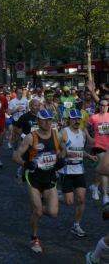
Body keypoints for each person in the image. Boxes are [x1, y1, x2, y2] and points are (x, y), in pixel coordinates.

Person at [13, 109, 66, 254]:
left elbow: (63, 149)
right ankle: (34, 238)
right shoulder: (31, 137)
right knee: (37, 210)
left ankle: (36, 210)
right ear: (38, 121)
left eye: (50, 119)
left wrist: (61, 159)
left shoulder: (56, 135)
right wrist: (25, 164)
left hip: (49, 178)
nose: (48, 122)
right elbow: (16, 156)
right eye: (44, 120)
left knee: (53, 212)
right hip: (34, 178)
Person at [58, 109, 97, 237]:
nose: (76, 121)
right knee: (69, 202)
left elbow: (80, 150)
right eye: (74, 118)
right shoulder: (63, 132)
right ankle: (56, 195)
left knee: (81, 199)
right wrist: (61, 153)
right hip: (66, 171)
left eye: (78, 119)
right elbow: (57, 150)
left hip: (79, 171)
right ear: (70, 119)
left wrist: (89, 156)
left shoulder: (82, 134)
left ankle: (76, 224)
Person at [88, 99, 109, 204]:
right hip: (98, 146)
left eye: (105, 105)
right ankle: (105, 195)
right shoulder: (94, 117)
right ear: (99, 106)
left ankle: (95, 186)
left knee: (100, 169)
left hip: (108, 147)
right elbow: (85, 128)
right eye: (101, 105)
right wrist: (89, 138)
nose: (103, 107)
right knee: (105, 169)